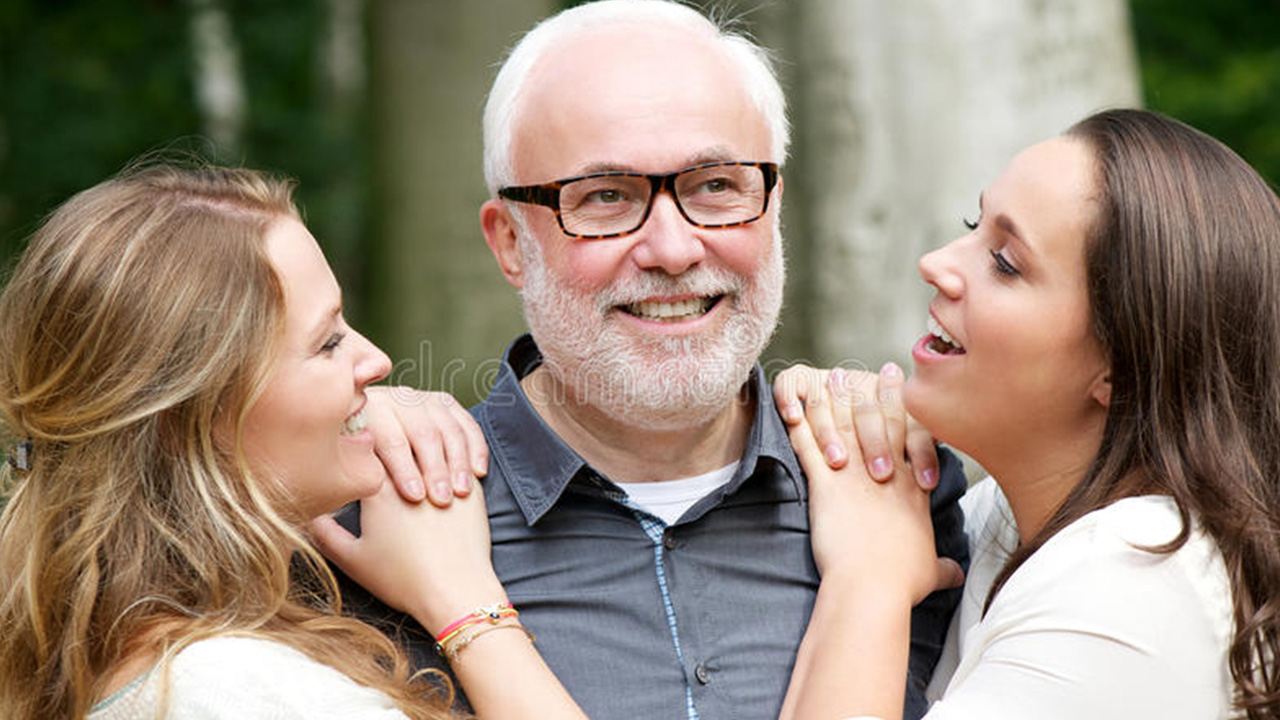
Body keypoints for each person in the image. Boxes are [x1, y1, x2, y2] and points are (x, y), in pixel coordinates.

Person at [331, 2, 968, 720]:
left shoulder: (901, 482)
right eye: (606, 197)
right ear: (510, 241)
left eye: (716, 186)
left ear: (774, 206)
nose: (673, 249)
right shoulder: (379, 520)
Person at [0, 162, 577, 720]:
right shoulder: (235, 691)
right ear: (189, 417)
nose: (376, 361)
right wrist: (467, 605)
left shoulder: (98, 649)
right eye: (327, 343)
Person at [772, 108, 1280, 719]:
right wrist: (840, 429)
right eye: (973, 225)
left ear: (1120, 366)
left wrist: (866, 580)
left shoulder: (1134, 578)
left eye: (1006, 262)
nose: (936, 262)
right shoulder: (1009, 520)